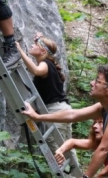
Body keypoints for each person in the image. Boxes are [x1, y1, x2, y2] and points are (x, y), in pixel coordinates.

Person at [17, 32, 76, 165]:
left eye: (35, 45)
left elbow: (37, 71)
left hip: (55, 110)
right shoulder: (50, 65)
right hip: (63, 108)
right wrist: (38, 38)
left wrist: (20, 51)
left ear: (43, 50)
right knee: (67, 147)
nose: (31, 45)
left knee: (56, 148)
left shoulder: (45, 64)